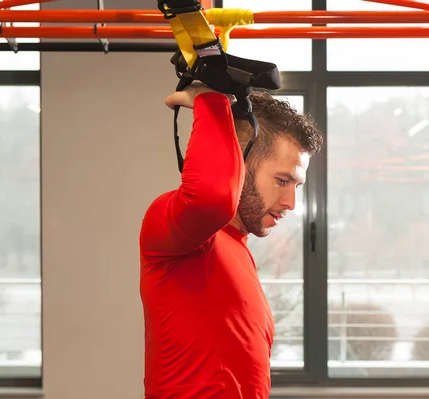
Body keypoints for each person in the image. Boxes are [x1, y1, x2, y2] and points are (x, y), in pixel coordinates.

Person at [139, 82, 324, 399]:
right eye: (282, 180)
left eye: (297, 185)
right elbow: (211, 198)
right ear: (238, 162)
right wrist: (209, 102)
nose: (291, 202)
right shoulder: (176, 229)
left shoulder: (237, 247)